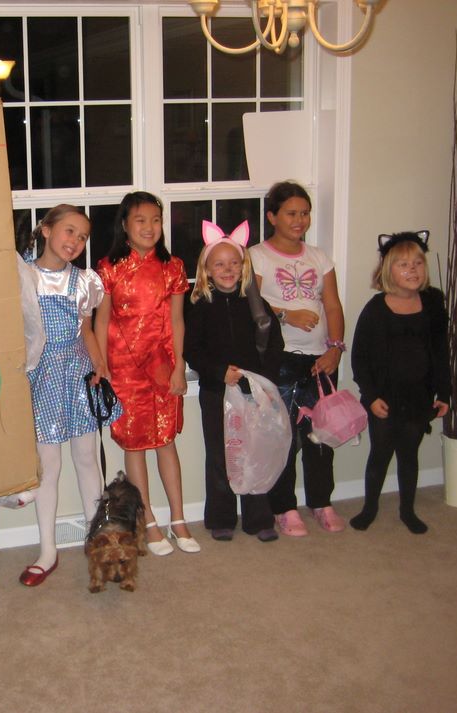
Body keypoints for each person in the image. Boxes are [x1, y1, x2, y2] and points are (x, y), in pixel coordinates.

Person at [18, 204, 121, 586]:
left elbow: (86, 329)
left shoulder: (84, 281)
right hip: (41, 374)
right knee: (48, 465)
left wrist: (99, 365)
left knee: (87, 457)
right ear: (46, 230)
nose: (75, 241)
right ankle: (47, 549)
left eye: (82, 236)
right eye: (69, 231)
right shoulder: (24, 275)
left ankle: (98, 539)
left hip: (78, 374)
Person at [95, 191, 199, 556]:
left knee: (166, 441)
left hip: (163, 367)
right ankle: (149, 521)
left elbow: (177, 320)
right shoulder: (109, 268)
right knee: (135, 445)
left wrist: (180, 365)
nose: (149, 227)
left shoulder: (173, 267)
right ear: (124, 225)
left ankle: (178, 518)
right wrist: (103, 367)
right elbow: (101, 320)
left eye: (156, 220)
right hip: (124, 370)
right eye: (140, 220)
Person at [248, 181, 347, 537]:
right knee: (284, 437)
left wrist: (335, 348)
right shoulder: (257, 256)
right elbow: (252, 306)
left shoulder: (319, 257)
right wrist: (287, 315)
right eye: (291, 213)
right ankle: (284, 507)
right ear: (272, 216)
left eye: (305, 213)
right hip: (281, 359)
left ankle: (321, 501)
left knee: (321, 435)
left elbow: (332, 305)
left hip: (321, 360)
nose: (299, 220)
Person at [183, 221, 283, 543]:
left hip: (253, 393)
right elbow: (192, 350)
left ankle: (259, 517)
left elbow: (275, 345)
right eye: (219, 264)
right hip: (216, 392)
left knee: (254, 451)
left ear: (244, 266)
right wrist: (217, 372)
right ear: (207, 271)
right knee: (220, 455)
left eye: (234, 263)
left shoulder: (256, 304)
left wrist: (264, 381)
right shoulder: (199, 307)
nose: (228, 270)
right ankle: (221, 516)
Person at [350, 231, 450, 534]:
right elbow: (359, 358)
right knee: (380, 454)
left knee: (409, 454)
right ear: (387, 269)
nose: (412, 270)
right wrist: (370, 397)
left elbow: (441, 351)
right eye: (403, 265)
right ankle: (369, 508)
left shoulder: (432, 303)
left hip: (419, 396)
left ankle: (408, 510)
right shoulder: (376, 309)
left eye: (418, 263)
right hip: (384, 396)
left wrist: (444, 392)